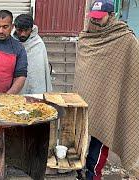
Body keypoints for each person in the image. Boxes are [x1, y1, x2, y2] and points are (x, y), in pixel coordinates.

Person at [73, 0, 139, 179]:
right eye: (92, 18)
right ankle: (79, 171)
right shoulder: (86, 36)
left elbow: (133, 70)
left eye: (99, 18)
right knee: (78, 142)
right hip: (84, 100)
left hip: (107, 101)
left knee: (99, 143)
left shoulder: (125, 39)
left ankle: (93, 175)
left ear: (111, 16)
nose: (94, 21)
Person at [13, 14, 52, 94]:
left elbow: (39, 71)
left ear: (31, 29)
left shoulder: (38, 43)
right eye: (20, 30)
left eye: (26, 30)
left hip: (34, 85)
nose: (23, 34)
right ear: (15, 28)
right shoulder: (10, 42)